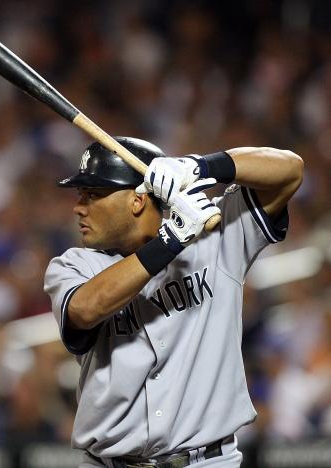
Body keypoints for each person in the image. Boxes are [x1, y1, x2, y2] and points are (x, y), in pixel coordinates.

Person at [44, 137, 303, 467]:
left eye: (93, 194)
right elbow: (85, 308)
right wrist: (170, 241)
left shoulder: (215, 237)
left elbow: (290, 170)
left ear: (138, 201)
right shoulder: (74, 266)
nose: (78, 206)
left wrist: (201, 166)